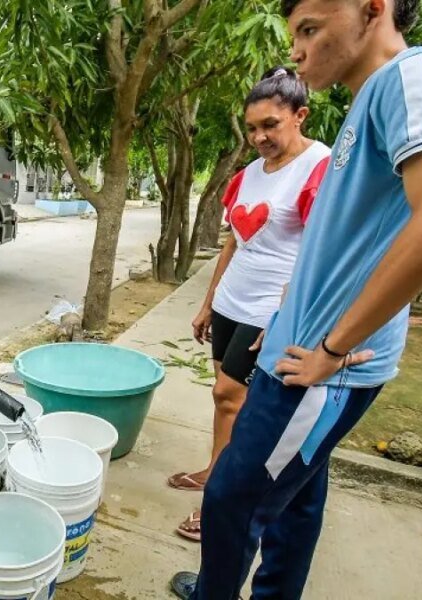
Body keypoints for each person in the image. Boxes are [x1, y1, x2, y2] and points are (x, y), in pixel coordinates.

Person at [172, 0, 422, 597]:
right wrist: (282, 319)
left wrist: (334, 346)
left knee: (230, 497)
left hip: (318, 370)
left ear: (371, 10)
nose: (297, 51)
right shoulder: (369, 102)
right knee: (298, 500)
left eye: (309, 29)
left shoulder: (416, 74)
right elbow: (337, 250)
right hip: (296, 345)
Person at [168, 68, 331, 543]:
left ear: (299, 116)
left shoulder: (318, 165)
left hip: (270, 308)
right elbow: (232, 243)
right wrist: (208, 302)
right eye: (253, 127)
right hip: (232, 300)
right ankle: (215, 472)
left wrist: (287, 319)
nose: (260, 136)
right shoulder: (245, 177)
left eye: (271, 125)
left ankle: (219, 503)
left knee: (230, 396)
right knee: (225, 399)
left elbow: (319, 250)